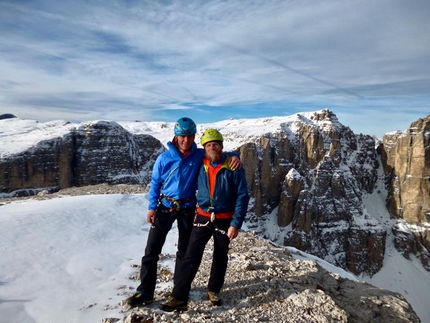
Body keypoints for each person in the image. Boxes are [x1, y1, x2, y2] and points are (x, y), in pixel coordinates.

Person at [126, 118, 242, 307]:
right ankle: (145, 291)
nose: (185, 140)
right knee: (151, 251)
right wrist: (152, 207)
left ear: (194, 136)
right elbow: (155, 183)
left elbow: (218, 153)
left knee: (183, 252)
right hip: (165, 206)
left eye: (189, 136)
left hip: (188, 209)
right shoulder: (164, 158)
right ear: (176, 136)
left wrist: (235, 155)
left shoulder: (198, 155)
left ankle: (178, 291)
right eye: (182, 136)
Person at [160, 128, 250, 312]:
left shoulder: (233, 167)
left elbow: (243, 196)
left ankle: (214, 289)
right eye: (209, 145)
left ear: (221, 146)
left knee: (220, 255)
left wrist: (236, 224)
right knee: (191, 255)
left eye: (215, 144)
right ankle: (178, 297)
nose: (212, 147)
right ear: (205, 148)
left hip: (225, 219)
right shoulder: (200, 162)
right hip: (202, 216)